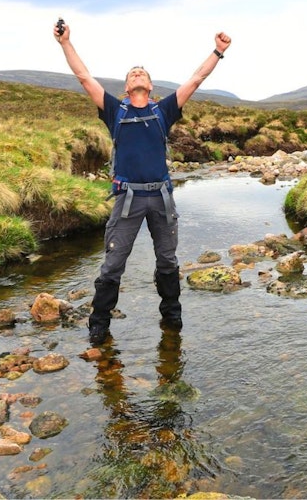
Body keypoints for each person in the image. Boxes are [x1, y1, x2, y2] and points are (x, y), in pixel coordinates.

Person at [54, 19, 232, 345]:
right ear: (126, 87)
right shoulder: (114, 110)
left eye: (142, 72)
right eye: (132, 73)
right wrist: (66, 43)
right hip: (127, 201)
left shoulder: (164, 110)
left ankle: (172, 317)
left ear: (150, 87)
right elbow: (84, 77)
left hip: (162, 198)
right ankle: (99, 324)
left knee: (167, 260)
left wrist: (217, 52)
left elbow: (196, 79)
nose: (137, 73)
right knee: (113, 263)